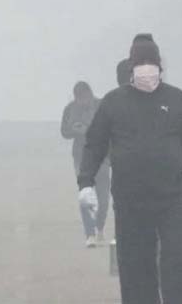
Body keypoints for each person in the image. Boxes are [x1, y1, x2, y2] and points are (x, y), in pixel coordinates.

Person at [78, 34, 182, 304]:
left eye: (151, 62)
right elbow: (94, 145)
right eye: (141, 63)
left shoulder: (177, 99)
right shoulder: (113, 102)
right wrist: (85, 183)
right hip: (130, 203)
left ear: (160, 66)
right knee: (136, 270)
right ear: (131, 68)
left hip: (171, 201)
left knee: (177, 264)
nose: (147, 69)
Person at [61, 81, 108, 247]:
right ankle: (90, 234)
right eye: (79, 99)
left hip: (102, 157)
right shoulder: (70, 109)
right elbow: (64, 132)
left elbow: (111, 128)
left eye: (85, 97)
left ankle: (100, 227)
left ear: (90, 93)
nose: (82, 101)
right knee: (85, 195)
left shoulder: (102, 106)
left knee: (103, 199)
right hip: (81, 157)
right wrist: (75, 129)